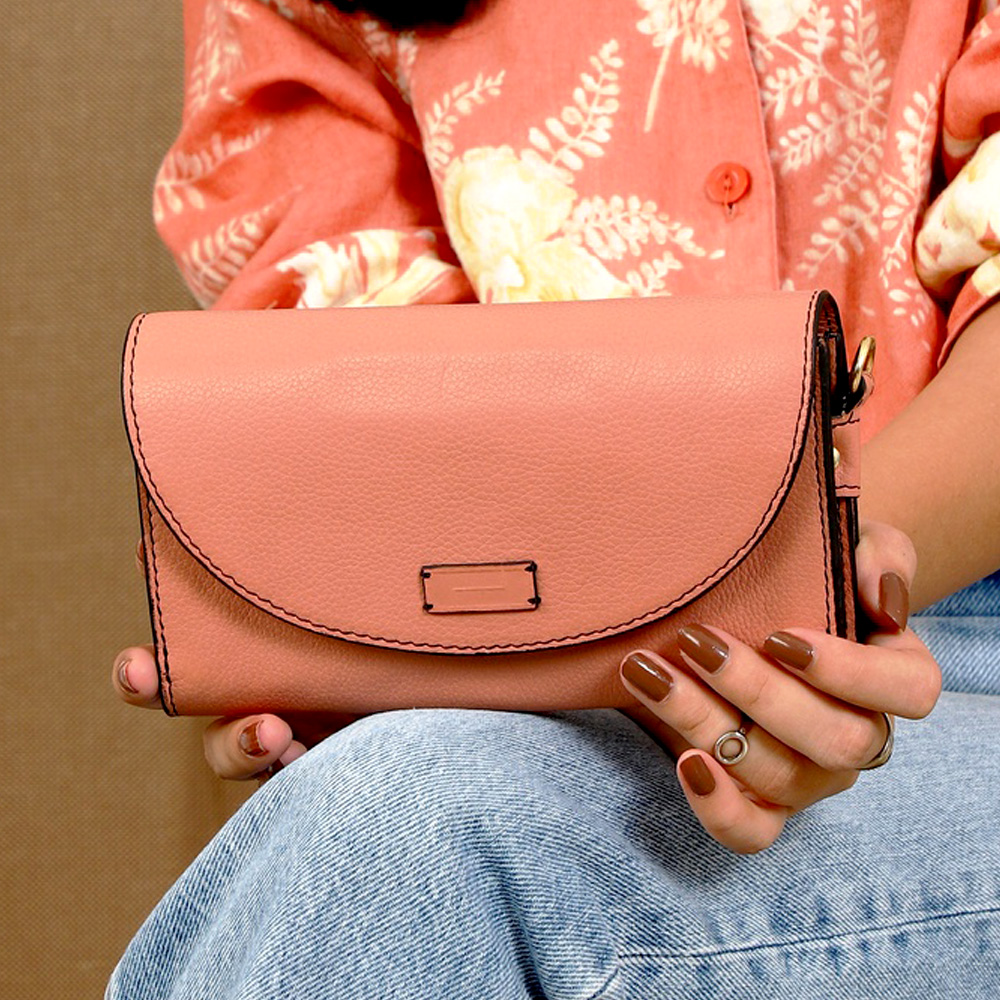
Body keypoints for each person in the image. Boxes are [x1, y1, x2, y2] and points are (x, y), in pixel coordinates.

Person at [107, 0, 1000, 995]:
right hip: (526, 694)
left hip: (950, 649)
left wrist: (777, 593)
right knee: (393, 807)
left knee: (405, 825)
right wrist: (360, 645)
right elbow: (341, 357)